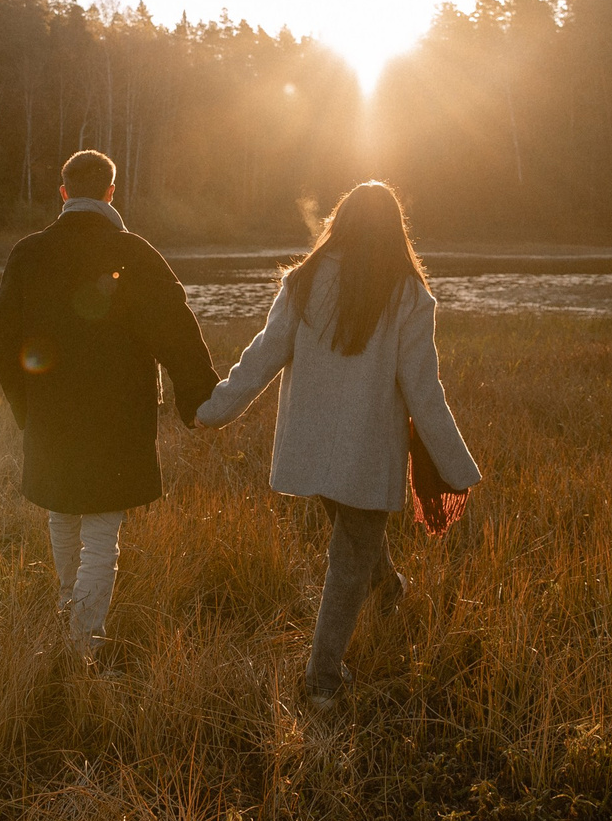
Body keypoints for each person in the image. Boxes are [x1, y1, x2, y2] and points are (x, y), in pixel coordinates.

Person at [195, 180, 478, 706]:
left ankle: (389, 592)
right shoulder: (408, 293)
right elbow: (423, 390)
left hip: (312, 450)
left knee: (356, 541)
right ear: (396, 229)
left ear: (340, 221)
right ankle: (323, 680)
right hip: (367, 452)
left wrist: (215, 410)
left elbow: (263, 356)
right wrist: (457, 468)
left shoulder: (304, 281)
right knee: (350, 558)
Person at [0, 149, 219, 662]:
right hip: (117, 418)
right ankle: (83, 643)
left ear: (64, 191)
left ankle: (70, 620)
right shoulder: (133, 252)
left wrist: (24, 409)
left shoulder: (28, 253)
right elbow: (176, 330)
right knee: (99, 531)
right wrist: (201, 398)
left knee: (64, 515)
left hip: (50, 415)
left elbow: (4, 341)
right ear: (112, 193)